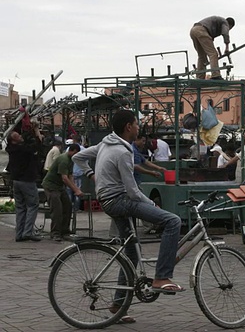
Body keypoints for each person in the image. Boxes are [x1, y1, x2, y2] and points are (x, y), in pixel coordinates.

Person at [73, 110, 184, 322]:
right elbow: (132, 191)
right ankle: (161, 277)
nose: (138, 128)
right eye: (136, 124)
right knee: (172, 221)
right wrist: (152, 204)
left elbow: (78, 157)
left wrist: (91, 175)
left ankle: (118, 304)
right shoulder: (123, 152)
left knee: (132, 254)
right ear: (128, 127)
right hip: (119, 201)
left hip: (110, 200)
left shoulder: (106, 144)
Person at [6, 127, 43, 242]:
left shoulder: (11, 149)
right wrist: (37, 132)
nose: (21, 136)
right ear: (14, 140)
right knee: (33, 205)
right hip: (27, 180)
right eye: (18, 136)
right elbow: (37, 146)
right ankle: (27, 232)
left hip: (16, 181)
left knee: (20, 207)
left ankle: (19, 233)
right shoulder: (22, 150)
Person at [42, 144, 83, 241]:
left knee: (67, 206)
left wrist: (75, 189)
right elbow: (64, 178)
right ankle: (55, 233)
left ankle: (64, 231)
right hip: (51, 186)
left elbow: (70, 176)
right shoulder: (63, 159)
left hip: (59, 187)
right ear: (72, 151)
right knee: (57, 210)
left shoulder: (71, 160)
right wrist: (76, 190)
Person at [190, 15, 235, 80]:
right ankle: (215, 75)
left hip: (193, 31)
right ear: (230, 25)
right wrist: (227, 48)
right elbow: (225, 33)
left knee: (202, 56)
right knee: (213, 54)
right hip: (201, 30)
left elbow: (209, 38)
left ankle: (200, 78)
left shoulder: (217, 22)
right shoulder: (225, 22)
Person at [66, 134, 85, 213]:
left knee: (69, 191)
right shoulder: (83, 149)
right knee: (77, 190)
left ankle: (69, 208)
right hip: (79, 172)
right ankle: (76, 208)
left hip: (71, 172)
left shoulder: (69, 149)